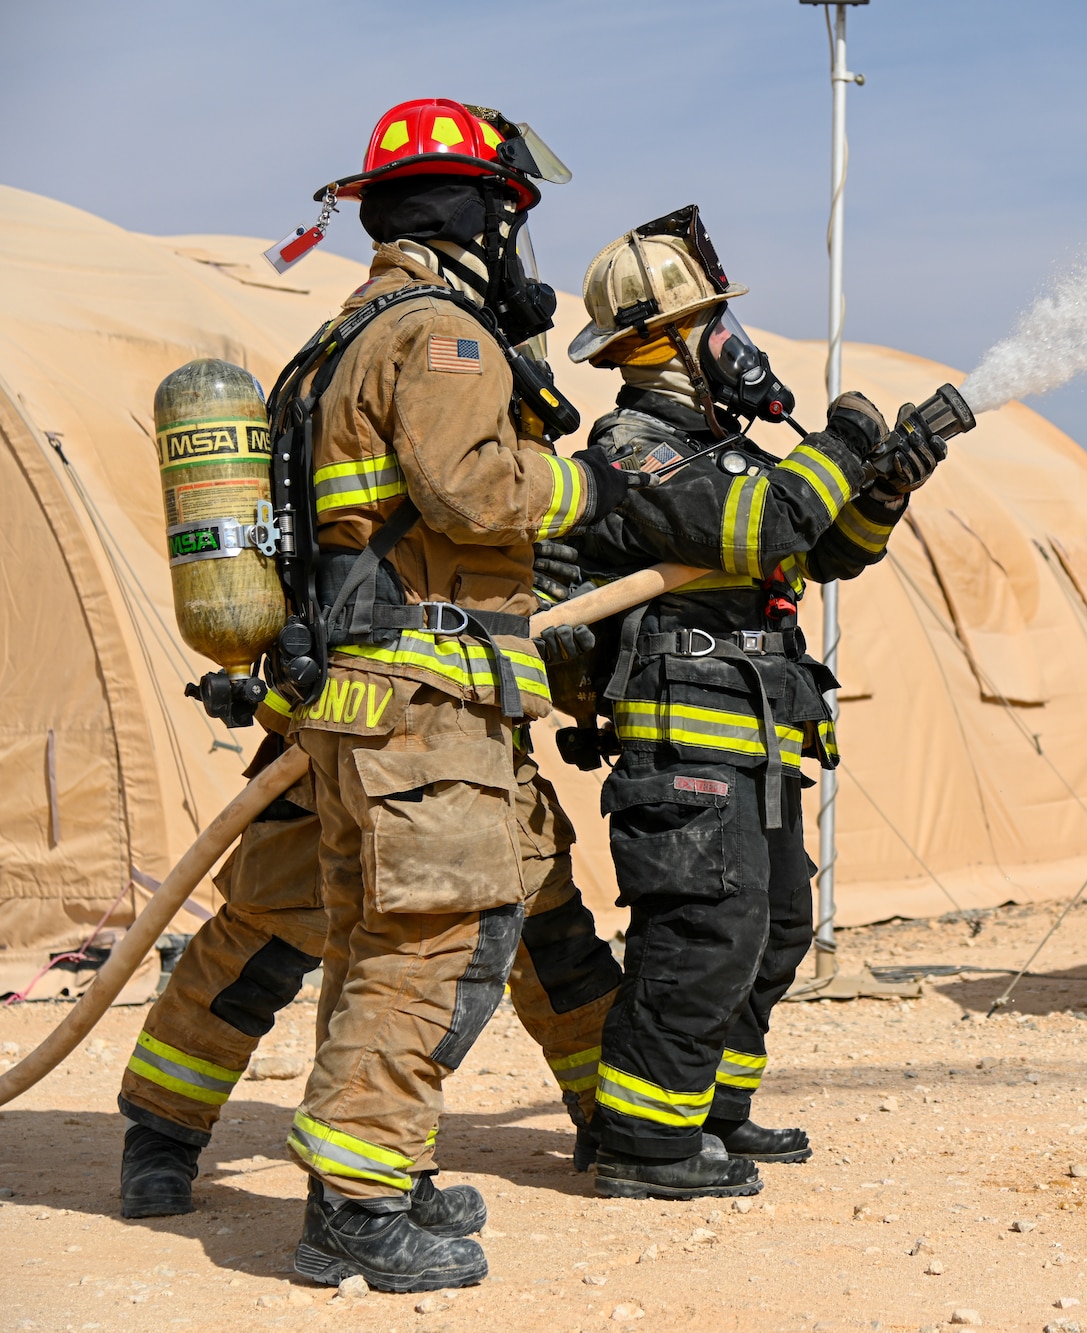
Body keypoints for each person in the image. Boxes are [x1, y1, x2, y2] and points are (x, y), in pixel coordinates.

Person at [268, 97, 632, 1292]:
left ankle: (374, 1171)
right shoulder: (444, 336)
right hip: (425, 702)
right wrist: (582, 489)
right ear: (475, 215)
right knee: (438, 945)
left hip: (360, 703)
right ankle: (359, 1202)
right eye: (507, 217)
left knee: (378, 941)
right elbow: (473, 492)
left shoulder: (340, 333)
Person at [534, 211, 947, 1201]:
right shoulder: (634, 448)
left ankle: (707, 1112)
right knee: (704, 931)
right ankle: (641, 1141)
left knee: (776, 926)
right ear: (659, 342)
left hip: (758, 732)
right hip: (682, 731)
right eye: (714, 325)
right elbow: (766, 527)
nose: (738, 346)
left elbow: (820, 550)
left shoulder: (715, 447)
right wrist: (846, 435)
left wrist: (884, 483)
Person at [115, 727, 622, 1219]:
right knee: (253, 958)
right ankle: (161, 1134)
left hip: (482, 780)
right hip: (329, 772)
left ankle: (610, 1116)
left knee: (559, 956)